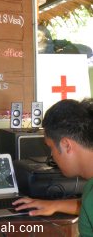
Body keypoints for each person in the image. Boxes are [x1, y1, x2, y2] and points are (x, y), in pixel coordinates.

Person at [13, 98, 93, 236]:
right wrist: (55, 205)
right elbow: (88, 207)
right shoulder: (90, 187)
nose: (52, 157)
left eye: (51, 148)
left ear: (67, 145)